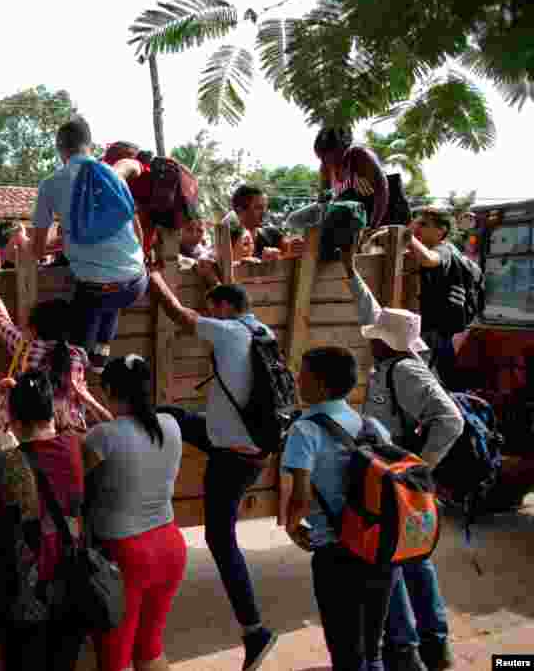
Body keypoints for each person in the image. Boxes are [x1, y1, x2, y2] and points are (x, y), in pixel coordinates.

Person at [146, 278, 279, 671]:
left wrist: (156, 282)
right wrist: (211, 278)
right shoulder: (260, 330)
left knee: (220, 539)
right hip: (248, 442)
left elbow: (181, 315)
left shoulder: (225, 332)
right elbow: (226, 304)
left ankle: (254, 630)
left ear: (222, 308)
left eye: (212, 306)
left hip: (232, 457)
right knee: (175, 416)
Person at [341, 244, 461, 671]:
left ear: (386, 345)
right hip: (397, 480)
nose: (370, 339)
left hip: (399, 483)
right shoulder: (393, 361)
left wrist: (419, 469)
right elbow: (371, 311)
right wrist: (349, 270)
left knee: (392, 564)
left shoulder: (405, 371)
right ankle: (434, 644)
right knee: (413, 560)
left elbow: (451, 420)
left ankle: (407, 649)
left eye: (376, 338)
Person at [282, 346, 397, 671]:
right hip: (379, 547)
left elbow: (301, 496)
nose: (297, 380)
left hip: (337, 550)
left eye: (302, 375)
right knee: (372, 643)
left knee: (345, 645)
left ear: (321, 385)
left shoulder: (305, 430)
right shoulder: (372, 426)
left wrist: (293, 527)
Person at [0, 370, 86, 671]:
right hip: (71, 588)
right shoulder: (75, 448)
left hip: (23, 599)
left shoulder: (2, 464)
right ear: (51, 410)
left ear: (14, 419)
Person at [84, 355, 186, 671]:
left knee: (115, 657)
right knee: (149, 648)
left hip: (125, 554)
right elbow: (131, 435)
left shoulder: (103, 437)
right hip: (170, 545)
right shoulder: (170, 425)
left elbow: (76, 482)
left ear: (111, 389)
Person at [29, 117, 148, 372]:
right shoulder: (113, 176)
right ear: (90, 145)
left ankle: (82, 363)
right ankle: (100, 355)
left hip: (96, 291)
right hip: (136, 283)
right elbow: (136, 228)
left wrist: (66, 242)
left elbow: (38, 250)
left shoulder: (50, 184)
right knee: (111, 291)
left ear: (60, 149)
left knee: (93, 295)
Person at [0, 266, 111, 455]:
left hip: (27, 437)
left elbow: (0, 320)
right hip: (69, 443)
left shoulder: (25, 347)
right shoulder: (76, 357)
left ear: (34, 329)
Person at [406, 206, 466, 390]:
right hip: (431, 333)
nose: (417, 227)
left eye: (423, 224)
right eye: (416, 222)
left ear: (441, 231)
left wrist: (406, 234)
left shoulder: (444, 250)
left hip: (434, 334)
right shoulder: (428, 248)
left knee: (428, 385)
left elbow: (429, 259)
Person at [314, 127, 390, 228]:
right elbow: (322, 201)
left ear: (342, 148)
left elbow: (382, 191)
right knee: (295, 218)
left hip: (383, 215)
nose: (324, 161)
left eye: (328, 156)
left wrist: (373, 227)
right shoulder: (325, 167)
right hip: (351, 221)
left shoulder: (360, 156)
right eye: (320, 157)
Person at [222, 185, 305, 261]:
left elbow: (290, 249)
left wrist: (295, 246)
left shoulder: (272, 234)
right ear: (240, 211)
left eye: (265, 207)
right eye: (258, 208)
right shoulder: (227, 240)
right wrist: (263, 264)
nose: (264, 212)